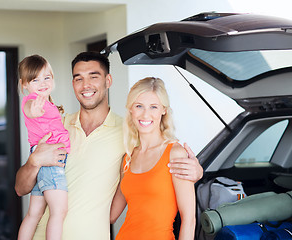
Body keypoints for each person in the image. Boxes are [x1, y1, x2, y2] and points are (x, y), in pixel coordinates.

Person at [15, 52, 203, 240]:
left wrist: (197, 172)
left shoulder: (129, 135)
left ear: (108, 80)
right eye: (78, 78)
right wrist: (34, 161)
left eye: (93, 77)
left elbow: (158, 151)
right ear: (73, 84)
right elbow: (20, 188)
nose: (86, 85)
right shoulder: (58, 128)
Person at [110, 77, 195, 240]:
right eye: (139, 106)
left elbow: (189, 220)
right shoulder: (128, 157)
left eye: (153, 107)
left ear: (163, 110)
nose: (145, 114)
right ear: (131, 110)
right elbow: (111, 215)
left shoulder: (175, 153)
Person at [17, 55, 70, 240]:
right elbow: (30, 108)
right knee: (59, 210)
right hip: (49, 158)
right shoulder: (32, 100)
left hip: (43, 157)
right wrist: (34, 110)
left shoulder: (49, 103)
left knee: (34, 213)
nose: (42, 83)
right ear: (24, 84)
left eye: (47, 77)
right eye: (35, 79)